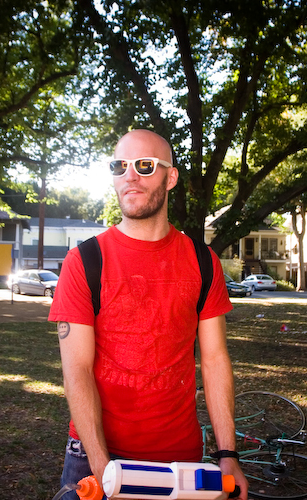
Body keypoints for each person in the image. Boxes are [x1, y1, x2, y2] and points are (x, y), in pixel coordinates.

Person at [48, 129, 247, 499]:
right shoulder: (84, 261)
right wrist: (102, 466)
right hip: (95, 455)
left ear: (170, 177)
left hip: (179, 458)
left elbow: (215, 360)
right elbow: (76, 370)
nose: (130, 176)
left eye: (144, 165)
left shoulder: (203, 262)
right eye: (119, 166)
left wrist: (227, 453)